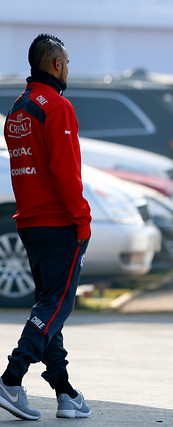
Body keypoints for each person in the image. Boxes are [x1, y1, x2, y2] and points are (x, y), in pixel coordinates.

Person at [0, 33, 92, 421]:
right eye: (66, 63)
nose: (68, 69)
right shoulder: (57, 106)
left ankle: (65, 393)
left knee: (48, 307)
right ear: (56, 64)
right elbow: (65, 172)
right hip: (59, 224)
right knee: (56, 306)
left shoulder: (18, 109)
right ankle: (10, 378)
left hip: (30, 223)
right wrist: (82, 219)